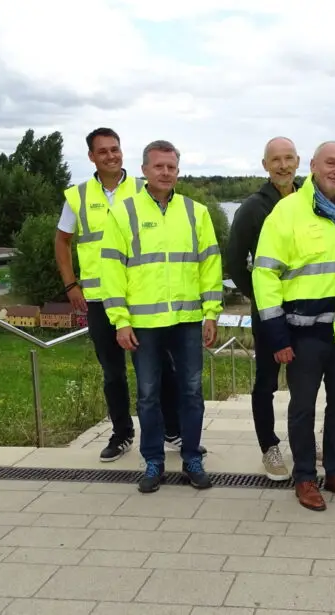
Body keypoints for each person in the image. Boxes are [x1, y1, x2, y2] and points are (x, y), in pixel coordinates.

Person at [55, 128, 204, 462]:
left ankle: (172, 429)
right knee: (113, 371)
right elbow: (62, 240)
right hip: (96, 298)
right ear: (92, 157)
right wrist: (71, 285)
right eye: (103, 151)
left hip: (140, 302)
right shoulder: (77, 196)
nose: (111, 155)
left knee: (161, 368)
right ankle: (122, 432)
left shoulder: (145, 188)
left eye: (116, 149)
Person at [252, 141, 335, 511]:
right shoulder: (286, 213)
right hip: (302, 333)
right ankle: (305, 477)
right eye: (330, 163)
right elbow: (265, 275)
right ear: (314, 167)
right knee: (302, 407)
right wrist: (276, 334)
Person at [100, 140, 222, 493]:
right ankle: (153, 461)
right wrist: (120, 320)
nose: (166, 173)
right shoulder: (124, 213)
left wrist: (211, 313)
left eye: (171, 167)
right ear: (144, 171)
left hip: (186, 320)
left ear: (178, 171)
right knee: (149, 394)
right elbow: (112, 270)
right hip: (144, 324)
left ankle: (191, 457)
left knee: (191, 391)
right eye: (159, 167)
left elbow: (210, 265)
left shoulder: (195, 212)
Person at [227, 137, 320, 481]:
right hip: (270, 314)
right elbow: (236, 262)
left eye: (288, 158)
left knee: (306, 384)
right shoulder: (253, 208)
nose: (283, 165)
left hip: (307, 310)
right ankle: (269, 447)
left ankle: (304, 443)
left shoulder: (311, 201)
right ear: (264, 165)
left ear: (299, 162)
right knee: (266, 383)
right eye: (275, 160)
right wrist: (261, 300)